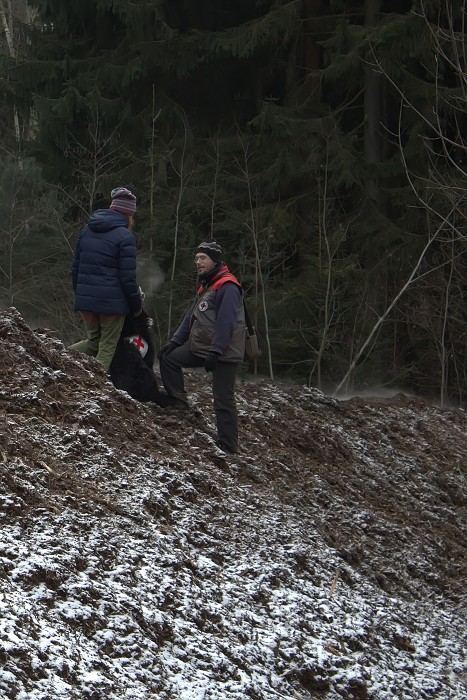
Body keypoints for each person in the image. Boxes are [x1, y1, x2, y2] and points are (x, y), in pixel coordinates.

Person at [158, 240, 246, 454]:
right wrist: (175, 342)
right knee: (168, 358)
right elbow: (191, 316)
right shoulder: (207, 284)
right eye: (196, 258)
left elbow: (227, 323)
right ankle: (178, 402)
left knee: (223, 399)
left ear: (215, 260)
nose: (198, 262)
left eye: (202, 258)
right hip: (204, 348)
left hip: (223, 353)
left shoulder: (228, 286)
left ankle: (228, 446)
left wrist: (216, 352)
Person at [69, 187, 143, 371]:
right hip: (112, 303)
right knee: (107, 346)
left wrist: (82, 294)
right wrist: (136, 307)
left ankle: (59, 357)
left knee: (93, 342)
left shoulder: (87, 230)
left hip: (87, 300)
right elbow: (127, 278)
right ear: (129, 214)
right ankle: (96, 386)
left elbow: (75, 269)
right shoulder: (126, 236)